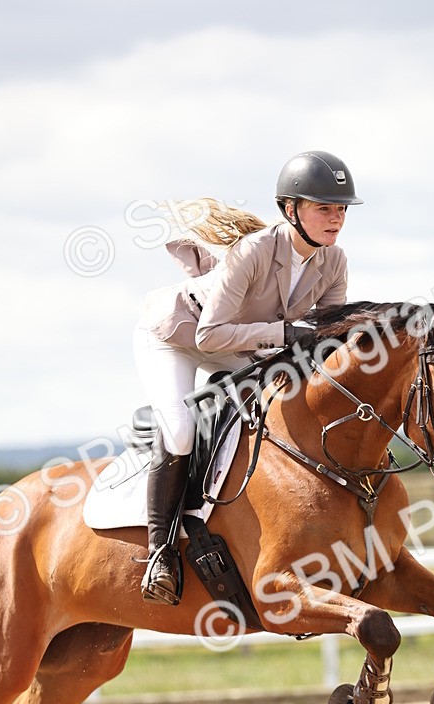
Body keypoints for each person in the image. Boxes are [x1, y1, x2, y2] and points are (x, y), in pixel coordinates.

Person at [133, 150, 363, 604]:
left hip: (236, 346)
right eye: (325, 208)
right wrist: (282, 333)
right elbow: (210, 333)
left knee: (267, 412)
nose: (336, 218)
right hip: (176, 336)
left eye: (341, 209)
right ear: (290, 209)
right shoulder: (254, 251)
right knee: (181, 431)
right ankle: (160, 553)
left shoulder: (333, 261)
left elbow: (321, 331)